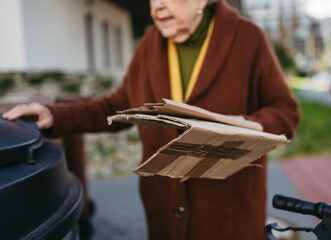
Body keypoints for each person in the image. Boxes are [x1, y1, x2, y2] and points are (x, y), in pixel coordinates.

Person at [3, 0, 301, 239]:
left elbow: (286, 110)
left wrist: (248, 126)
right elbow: (118, 106)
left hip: (230, 215)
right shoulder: (149, 44)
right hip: (164, 214)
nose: (156, 6)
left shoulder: (247, 38)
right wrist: (55, 115)